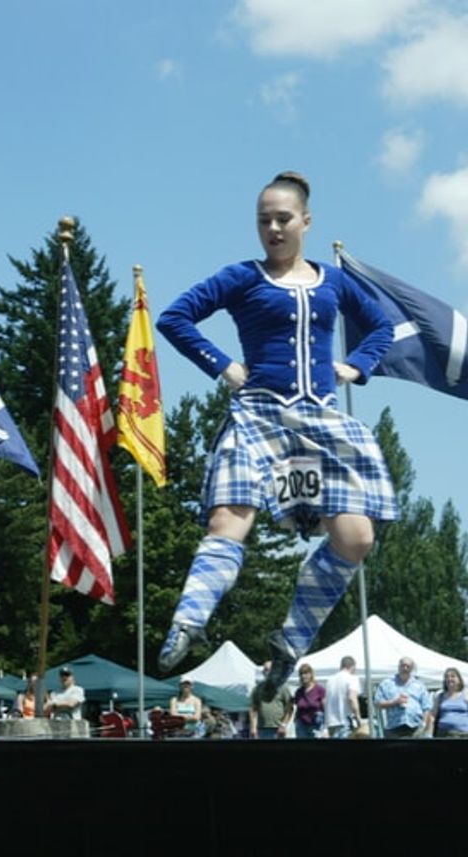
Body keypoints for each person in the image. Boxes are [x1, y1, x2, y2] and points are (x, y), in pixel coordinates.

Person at [155, 172, 396, 697]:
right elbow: (175, 318)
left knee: (357, 538)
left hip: (319, 421)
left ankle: (289, 645)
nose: (273, 228)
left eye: (283, 218)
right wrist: (223, 366)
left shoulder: (333, 281)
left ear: (305, 221)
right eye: (263, 220)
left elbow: (382, 327)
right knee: (228, 519)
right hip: (259, 413)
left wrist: (356, 366)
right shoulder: (242, 277)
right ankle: (186, 624)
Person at [374, 657, 431, 738]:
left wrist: (424, 725)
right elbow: (377, 703)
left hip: (415, 728)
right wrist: (395, 702)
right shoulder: (387, 684)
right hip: (394, 728)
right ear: (398, 666)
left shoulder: (419, 685)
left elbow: (427, 707)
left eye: (408, 666)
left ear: (412, 669)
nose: (405, 668)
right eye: (403, 665)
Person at [249, 661, 294, 739]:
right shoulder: (257, 688)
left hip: (278, 729)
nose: (268, 672)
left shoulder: (283, 687)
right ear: (263, 672)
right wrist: (253, 727)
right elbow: (253, 709)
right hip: (261, 729)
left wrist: (283, 725)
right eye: (266, 670)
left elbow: (289, 708)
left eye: (270, 669)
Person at [323, 656, 361, 738]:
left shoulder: (329, 680)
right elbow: (352, 698)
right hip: (345, 721)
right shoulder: (352, 678)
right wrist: (358, 719)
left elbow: (325, 701)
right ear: (353, 667)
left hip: (331, 722)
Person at [426, 667, 468, 738]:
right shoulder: (439, 696)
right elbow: (432, 716)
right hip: (444, 733)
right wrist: (429, 734)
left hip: (463, 734)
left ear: (459, 680)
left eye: (453, 676)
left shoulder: (466, 694)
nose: (449, 679)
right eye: (447, 677)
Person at [292, 662, 326, 738]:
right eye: (301, 674)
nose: (303, 676)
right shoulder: (299, 691)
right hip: (301, 726)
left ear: (311, 674)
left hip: (316, 725)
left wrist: (326, 727)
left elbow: (325, 708)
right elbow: (297, 708)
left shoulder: (319, 689)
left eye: (306, 673)